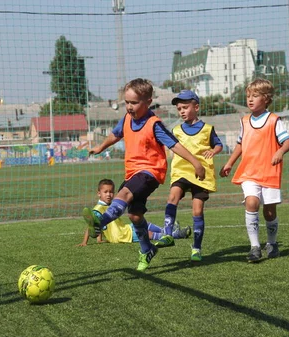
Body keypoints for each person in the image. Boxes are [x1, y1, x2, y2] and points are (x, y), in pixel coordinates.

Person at [82, 78, 206, 271]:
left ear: (147, 102)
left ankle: (100, 222)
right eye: (126, 102)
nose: (129, 107)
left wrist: (196, 163)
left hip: (150, 172)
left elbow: (174, 144)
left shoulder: (154, 124)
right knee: (135, 216)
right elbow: (115, 134)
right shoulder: (126, 119)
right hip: (133, 173)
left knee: (122, 195)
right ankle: (147, 249)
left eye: (133, 103)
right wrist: (100, 147)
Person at [219, 78, 289, 263]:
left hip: (269, 173)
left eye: (255, 96)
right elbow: (240, 145)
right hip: (249, 172)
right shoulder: (244, 121)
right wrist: (229, 163)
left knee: (269, 212)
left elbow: (288, 142)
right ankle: (255, 247)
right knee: (251, 203)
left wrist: (280, 151)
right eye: (248, 96)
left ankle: (272, 243)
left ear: (266, 99)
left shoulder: (274, 120)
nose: (250, 99)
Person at [154, 90, 223, 262]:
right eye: (179, 109)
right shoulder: (176, 130)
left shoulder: (207, 129)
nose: (182, 111)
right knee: (172, 197)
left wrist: (213, 150)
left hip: (201, 174)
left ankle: (197, 248)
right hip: (181, 171)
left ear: (196, 107)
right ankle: (168, 233)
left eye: (185, 107)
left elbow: (219, 145)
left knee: (197, 210)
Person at [77, 179, 191, 246]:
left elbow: (102, 226)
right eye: (105, 192)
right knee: (148, 234)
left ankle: (167, 230)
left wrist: (100, 240)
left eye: (111, 192)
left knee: (143, 223)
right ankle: (176, 234)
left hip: (125, 229)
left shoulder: (110, 206)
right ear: (99, 194)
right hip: (122, 235)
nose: (109, 194)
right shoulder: (98, 209)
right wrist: (84, 242)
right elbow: (91, 225)